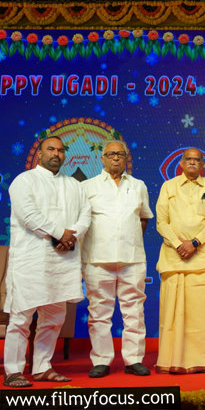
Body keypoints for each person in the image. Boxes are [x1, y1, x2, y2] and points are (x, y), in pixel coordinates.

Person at [3, 136, 91, 387]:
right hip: (31, 260)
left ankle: (42, 367)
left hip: (62, 261)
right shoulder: (24, 181)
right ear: (39, 154)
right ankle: (13, 370)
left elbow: (85, 214)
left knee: (53, 318)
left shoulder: (75, 185)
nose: (56, 154)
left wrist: (73, 235)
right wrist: (59, 233)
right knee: (21, 317)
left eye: (61, 150)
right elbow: (28, 215)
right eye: (50, 149)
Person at [81, 140, 153, 378]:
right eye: (111, 154)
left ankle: (133, 359)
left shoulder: (138, 185)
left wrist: (127, 239)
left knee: (134, 312)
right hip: (97, 259)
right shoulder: (87, 187)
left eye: (120, 154)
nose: (116, 158)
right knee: (99, 312)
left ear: (126, 159)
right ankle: (101, 360)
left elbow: (144, 218)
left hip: (132, 259)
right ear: (102, 159)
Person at [155, 148, 205, 374]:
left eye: (197, 160)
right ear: (182, 163)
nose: (193, 162)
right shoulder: (169, 187)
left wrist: (194, 243)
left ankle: (203, 361)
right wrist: (178, 244)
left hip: (203, 257)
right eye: (189, 159)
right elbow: (161, 222)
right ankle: (171, 360)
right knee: (172, 314)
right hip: (174, 257)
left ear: (203, 165)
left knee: (202, 314)